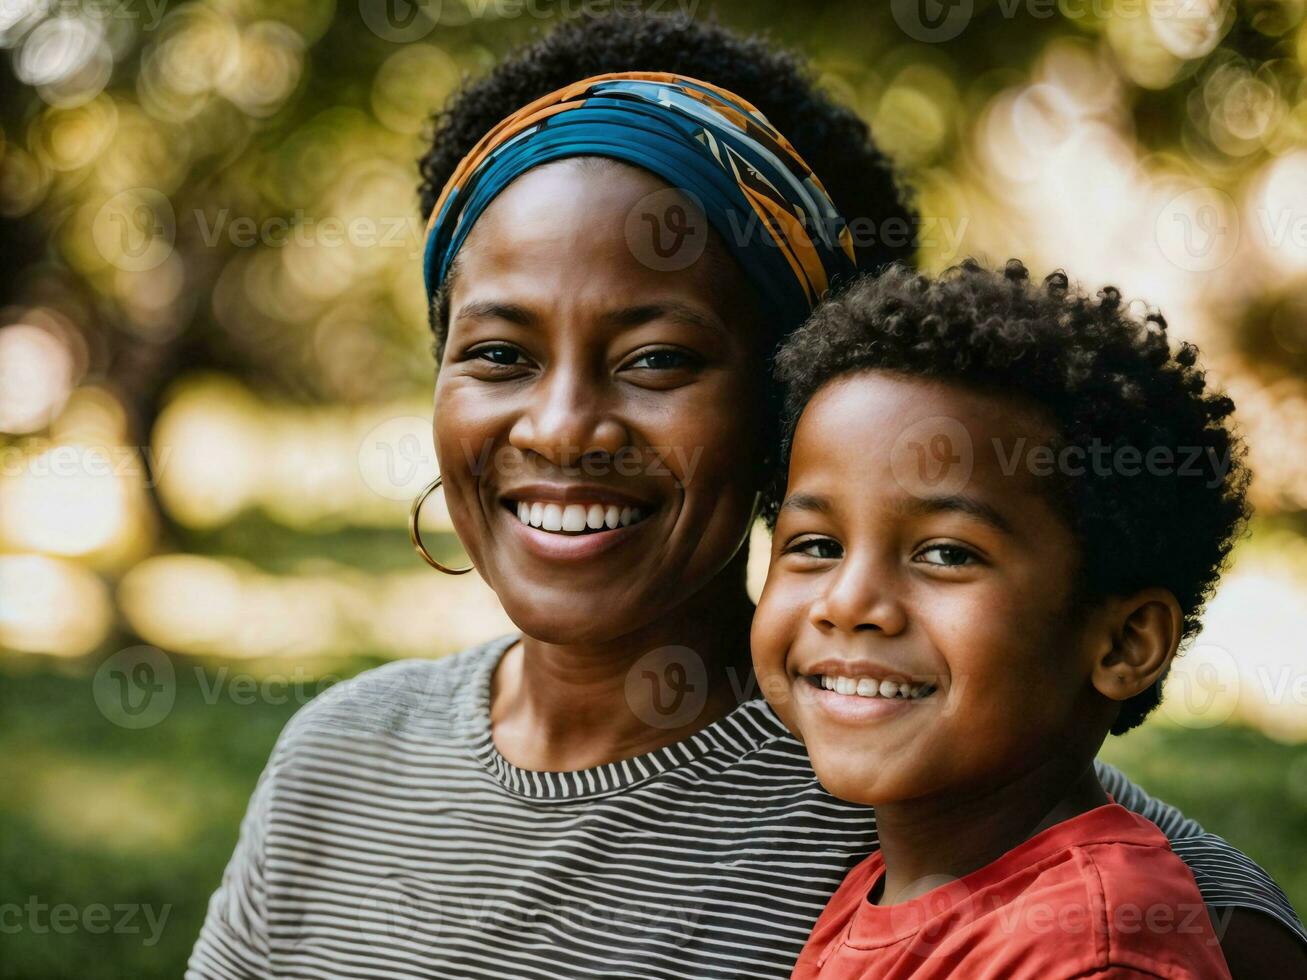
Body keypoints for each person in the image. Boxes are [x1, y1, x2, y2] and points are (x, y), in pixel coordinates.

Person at [187, 14, 1305, 980]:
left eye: (658, 358)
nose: (562, 425)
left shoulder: (908, 766)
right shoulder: (340, 755)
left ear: (789, 414)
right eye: (497, 353)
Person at [752, 258, 1257, 977]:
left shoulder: (1090, 951)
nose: (847, 602)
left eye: (947, 555)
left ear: (1124, 642)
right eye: (817, 546)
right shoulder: (876, 893)